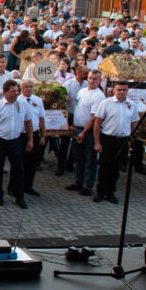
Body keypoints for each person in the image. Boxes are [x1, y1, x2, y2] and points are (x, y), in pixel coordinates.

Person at [0, 79, 33, 208]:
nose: (15, 94)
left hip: (15, 141)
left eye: (17, 91)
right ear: (5, 92)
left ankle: (19, 196)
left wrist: (30, 139)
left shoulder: (23, 104)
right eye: (12, 91)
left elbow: (28, 123)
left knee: (18, 169)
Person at [92, 81, 141, 204]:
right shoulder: (106, 103)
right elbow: (97, 123)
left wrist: (130, 136)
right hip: (107, 139)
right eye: (119, 90)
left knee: (116, 168)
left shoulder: (132, 105)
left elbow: (134, 122)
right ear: (114, 90)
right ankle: (100, 192)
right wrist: (97, 142)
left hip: (122, 141)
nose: (121, 92)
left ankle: (111, 192)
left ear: (127, 91)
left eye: (124, 90)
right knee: (104, 167)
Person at [66, 69, 105, 197]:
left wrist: (84, 131)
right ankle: (78, 182)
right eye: (90, 78)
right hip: (77, 129)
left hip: (88, 132)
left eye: (95, 79)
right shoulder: (81, 91)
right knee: (78, 158)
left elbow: (94, 117)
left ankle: (88, 186)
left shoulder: (99, 95)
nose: (91, 81)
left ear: (99, 81)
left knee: (90, 160)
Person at [19, 79, 46, 197]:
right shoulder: (17, 101)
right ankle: (16, 187)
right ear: (21, 88)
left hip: (34, 134)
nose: (29, 89)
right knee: (19, 163)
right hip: (21, 135)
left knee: (32, 162)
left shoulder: (38, 100)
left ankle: (28, 186)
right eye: (26, 87)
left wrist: (43, 135)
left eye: (31, 87)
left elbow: (41, 118)